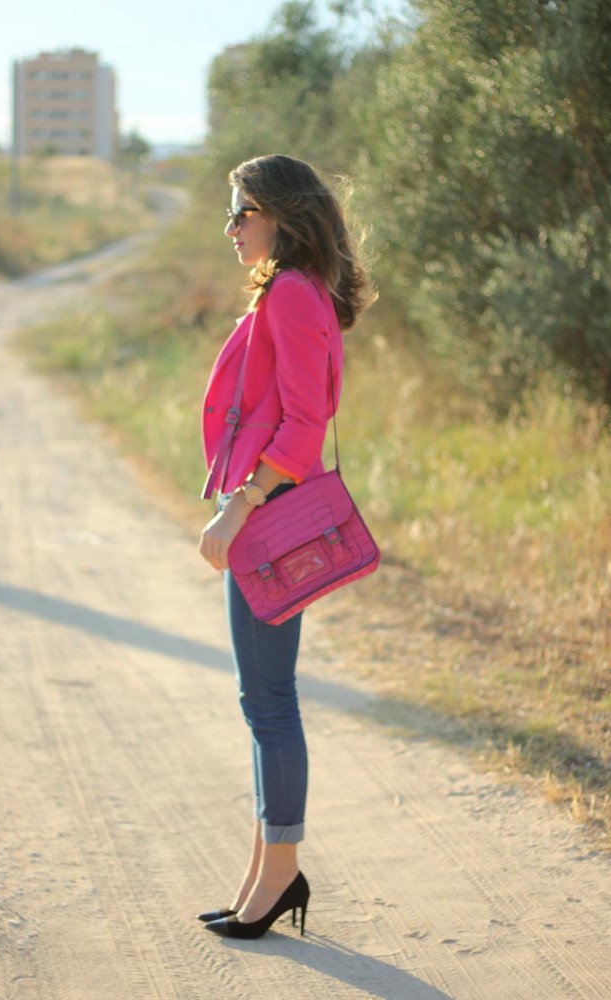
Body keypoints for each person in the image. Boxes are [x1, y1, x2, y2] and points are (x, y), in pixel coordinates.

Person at [198, 154, 370, 939]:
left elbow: (301, 427)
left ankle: (280, 874)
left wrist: (238, 510)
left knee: (269, 702)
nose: (231, 227)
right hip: (270, 511)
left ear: (278, 214)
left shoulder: (294, 295)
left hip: (272, 517)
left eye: (242, 212)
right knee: (261, 699)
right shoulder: (289, 291)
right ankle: (262, 872)